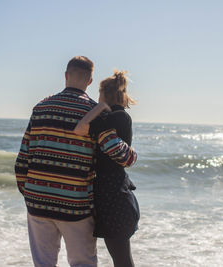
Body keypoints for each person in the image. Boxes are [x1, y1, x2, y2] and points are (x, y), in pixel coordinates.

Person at [14, 56, 137, 267]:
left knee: (43, 264)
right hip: (75, 204)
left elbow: (23, 159)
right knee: (82, 263)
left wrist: (32, 194)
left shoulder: (40, 107)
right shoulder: (93, 113)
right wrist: (132, 154)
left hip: (37, 201)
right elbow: (120, 155)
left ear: (65, 76)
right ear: (90, 81)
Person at [74, 70, 139, 267]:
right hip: (115, 193)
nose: (97, 97)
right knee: (122, 259)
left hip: (113, 197)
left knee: (122, 260)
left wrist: (99, 107)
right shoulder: (121, 117)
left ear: (105, 94)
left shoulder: (112, 118)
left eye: (99, 93)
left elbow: (80, 128)